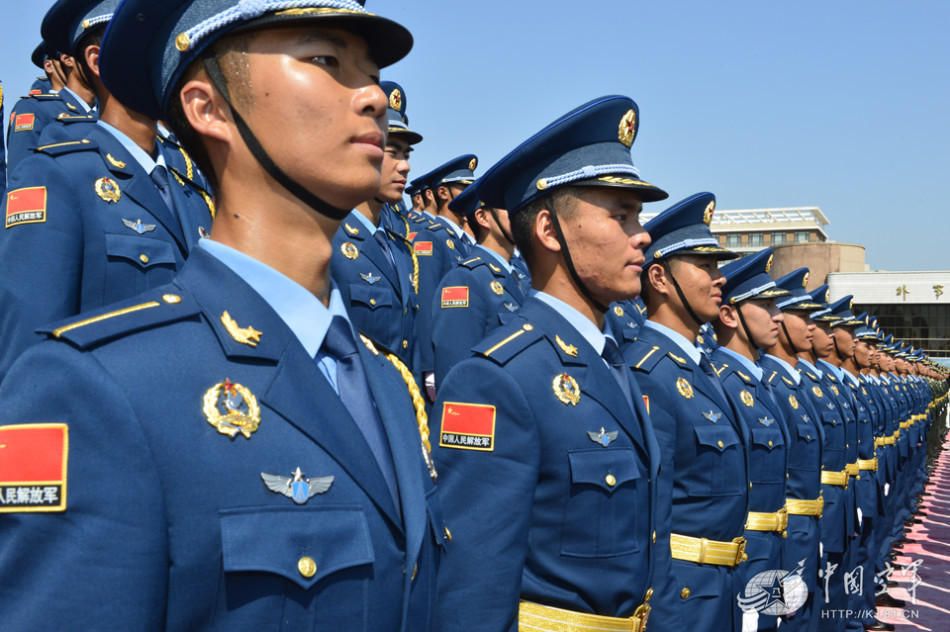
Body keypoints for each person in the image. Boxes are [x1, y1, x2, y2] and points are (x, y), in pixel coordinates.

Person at [0, 1, 443, 630]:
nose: (374, 96)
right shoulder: (91, 391)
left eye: (369, 72)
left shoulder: (389, 388)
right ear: (208, 109)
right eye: (324, 60)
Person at [431, 95, 667, 631]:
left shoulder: (611, 362)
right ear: (547, 230)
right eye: (621, 215)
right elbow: (473, 590)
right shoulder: (497, 379)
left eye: (639, 216)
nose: (643, 235)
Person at [0, 0, 214, 380]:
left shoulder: (190, 179)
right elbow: (28, 362)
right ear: (97, 61)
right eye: (162, 48)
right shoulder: (57, 177)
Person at [626, 192, 748, 632]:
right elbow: (648, 520)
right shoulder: (647, 372)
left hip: (721, 588)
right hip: (683, 596)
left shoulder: (699, 368)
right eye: (706, 267)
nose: (720, 280)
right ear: (658, 278)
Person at [709, 249, 791, 632]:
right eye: (766, 304)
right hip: (740, 557)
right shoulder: (719, 383)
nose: (778, 316)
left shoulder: (761, 382)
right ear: (729, 315)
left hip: (772, 546)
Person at [331, 80, 421, 367]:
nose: (404, 166)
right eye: (392, 152)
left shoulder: (401, 248)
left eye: (406, 155)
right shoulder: (329, 241)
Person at [758, 267, 826, 632]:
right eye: (801, 316)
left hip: (804, 523)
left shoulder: (793, 382)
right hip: (778, 534)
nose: (812, 327)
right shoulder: (769, 383)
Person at [429, 182, 525, 385]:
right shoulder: (464, 280)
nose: (523, 213)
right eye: (511, 206)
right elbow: (457, 376)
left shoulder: (522, 274)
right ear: (483, 218)